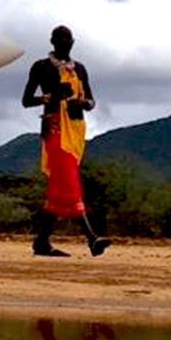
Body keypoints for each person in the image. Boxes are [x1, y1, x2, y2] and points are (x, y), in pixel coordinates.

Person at [22, 26, 111, 257]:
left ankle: (41, 242)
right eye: (58, 39)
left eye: (66, 39)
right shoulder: (41, 67)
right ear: (51, 41)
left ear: (73, 42)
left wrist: (82, 104)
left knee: (59, 187)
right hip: (54, 129)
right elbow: (26, 100)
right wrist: (50, 96)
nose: (63, 43)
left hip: (75, 129)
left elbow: (91, 101)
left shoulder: (80, 68)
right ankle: (92, 238)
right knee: (70, 184)